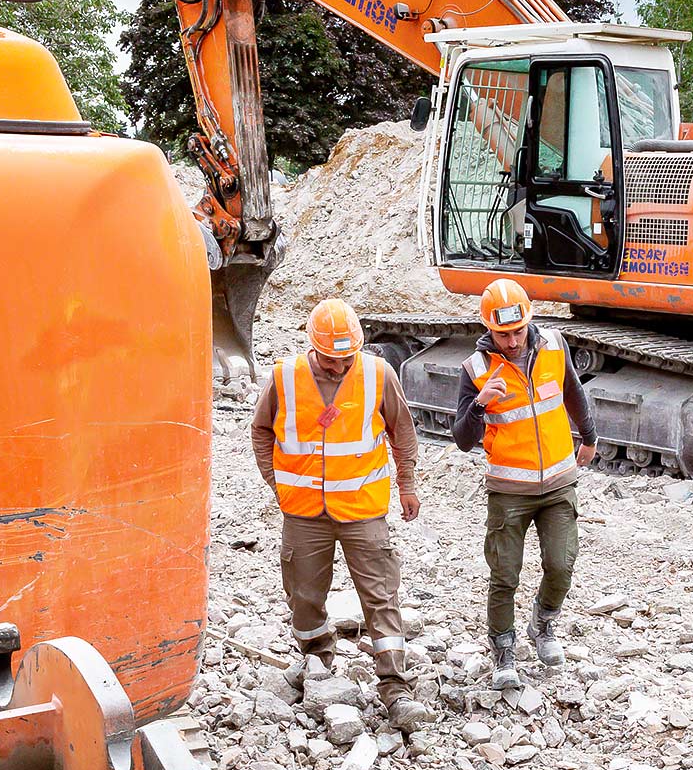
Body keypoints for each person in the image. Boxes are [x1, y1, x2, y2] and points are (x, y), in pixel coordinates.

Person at [251, 298, 431, 729]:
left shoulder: (376, 373)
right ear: (313, 348)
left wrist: (407, 484)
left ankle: (395, 686)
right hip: (304, 513)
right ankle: (317, 662)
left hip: (364, 511)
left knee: (381, 597)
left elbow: (401, 430)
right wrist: (278, 485)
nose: (339, 366)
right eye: (331, 360)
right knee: (303, 595)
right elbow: (261, 430)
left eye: (346, 357)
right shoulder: (285, 377)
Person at [452, 278, 598, 689]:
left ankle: (543, 623)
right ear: (488, 329)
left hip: (557, 481)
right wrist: (481, 403)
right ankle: (504, 653)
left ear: (527, 321)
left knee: (561, 565)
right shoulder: (476, 370)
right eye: (503, 334)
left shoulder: (554, 345)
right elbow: (462, 439)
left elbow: (572, 391)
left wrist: (589, 436)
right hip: (509, 491)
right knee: (505, 575)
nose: (513, 341)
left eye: (517, 331)